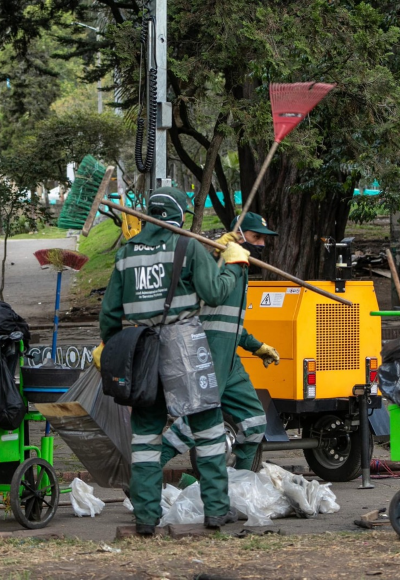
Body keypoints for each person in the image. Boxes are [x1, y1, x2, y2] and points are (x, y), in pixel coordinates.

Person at [93, 187, 250, 535]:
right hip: (184, 349)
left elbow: (110, 314)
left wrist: (110, 346)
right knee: (208, 430)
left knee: (146, 438)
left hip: (141, 351)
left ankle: (146, 517)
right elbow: (214, 293)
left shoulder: (126, 254)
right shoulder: (187, 245)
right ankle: (215, 511)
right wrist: (234, 264)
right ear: (179, 214)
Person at [160, 212, 280, 472]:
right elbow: (205, 289)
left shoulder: (240, 268)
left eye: (263, 240)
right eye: (255, 237)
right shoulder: (223, 262)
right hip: (207, 354)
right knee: (193, 424)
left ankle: (241, 488)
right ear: (239, 236)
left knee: (255, 423)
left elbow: (229, 324)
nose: (261, 244)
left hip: (229, 361)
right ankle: (140, 476)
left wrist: (256, 346)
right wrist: (216, 254)